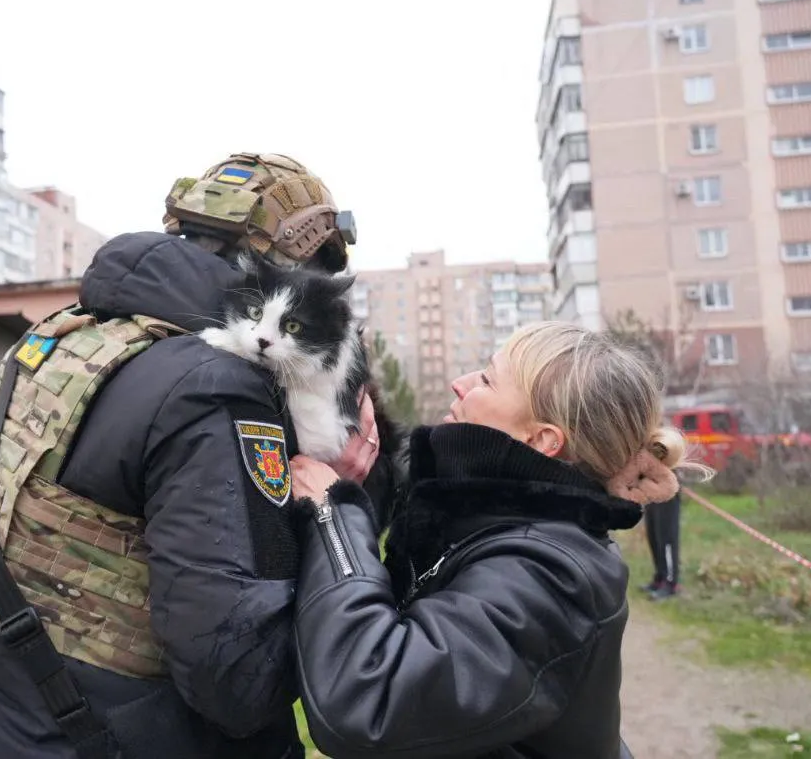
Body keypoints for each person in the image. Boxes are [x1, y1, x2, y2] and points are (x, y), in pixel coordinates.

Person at [0, 153, 394, 759]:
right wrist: (331, 505)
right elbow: (237, 678)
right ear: (286, 271)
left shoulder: (70, 334)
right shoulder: (215, 390)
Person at [289, 321, 712, 759]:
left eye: (487, 380)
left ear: (543, 439)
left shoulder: (552, 573)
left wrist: (332, 516)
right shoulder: (481, 519)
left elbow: (370, 699)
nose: (460, 384)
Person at [641, 491, 682, 600]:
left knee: (666, 538)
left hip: (667, 493)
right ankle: (660, 578)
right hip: (651, 493)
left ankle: (670, 583)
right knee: (654, 537)